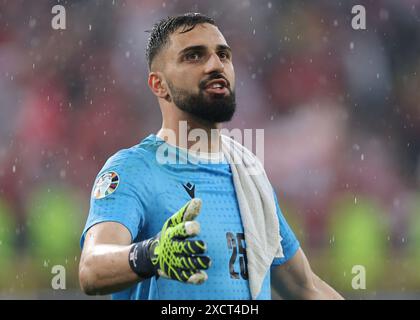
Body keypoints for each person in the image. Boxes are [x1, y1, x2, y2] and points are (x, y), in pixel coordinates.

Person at [78, 13, 343, 300]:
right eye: (194, 56)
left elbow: (305, 288)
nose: (216, 65)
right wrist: (152, 254)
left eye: (223, 55)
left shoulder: (249, 177)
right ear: (159, 84)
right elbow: (92, 268)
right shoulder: (134, 169)